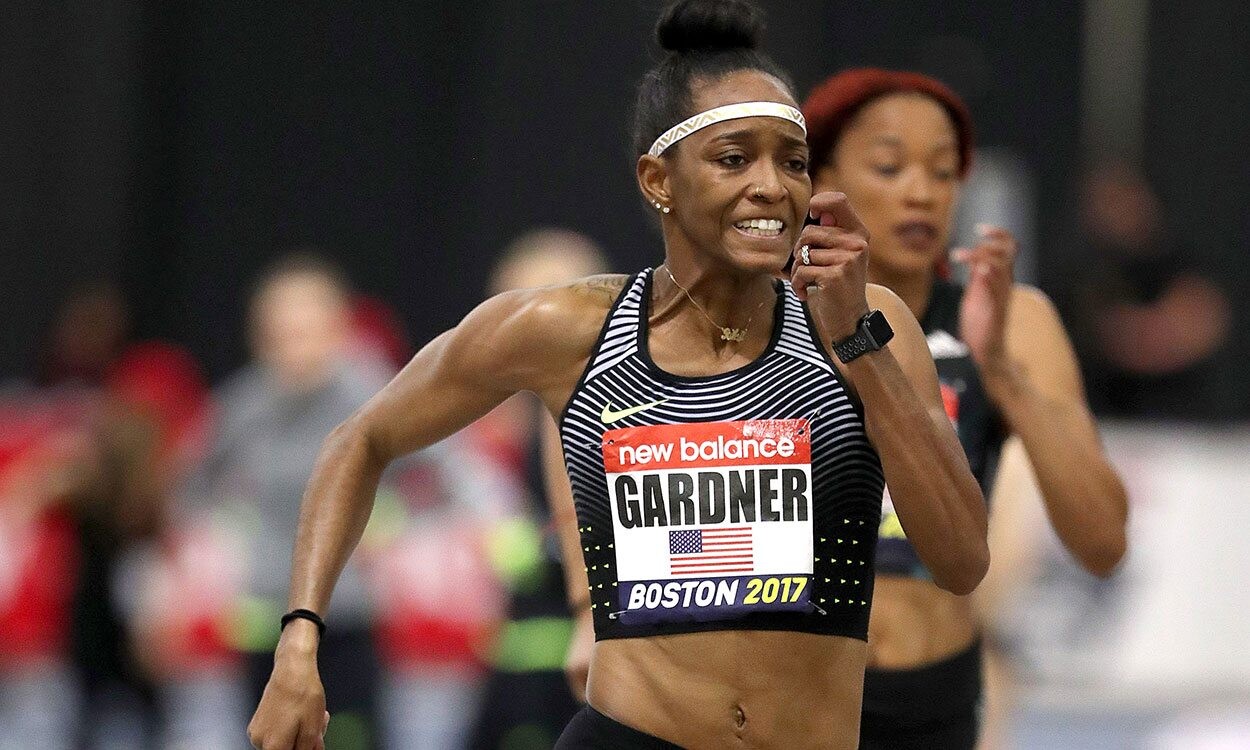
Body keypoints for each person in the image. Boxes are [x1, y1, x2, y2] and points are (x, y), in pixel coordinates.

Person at [246, 3, 988, 748]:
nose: (772, 185)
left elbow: (960, 561)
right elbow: (360, 439)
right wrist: (298, 644)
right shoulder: (568, 330)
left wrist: (859, 342)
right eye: (734, 159)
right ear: (658, 179)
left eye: (792, 162)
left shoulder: (870, 324)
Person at [801, 68, 1130, 749]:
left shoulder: (1011, 320)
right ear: (821, 180)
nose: (922, 192)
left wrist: (1002, 371)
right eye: (889, 166)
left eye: (944, 172)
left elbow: (1102, 545)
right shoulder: (771, 317)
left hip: (933, 699)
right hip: (792, 693)